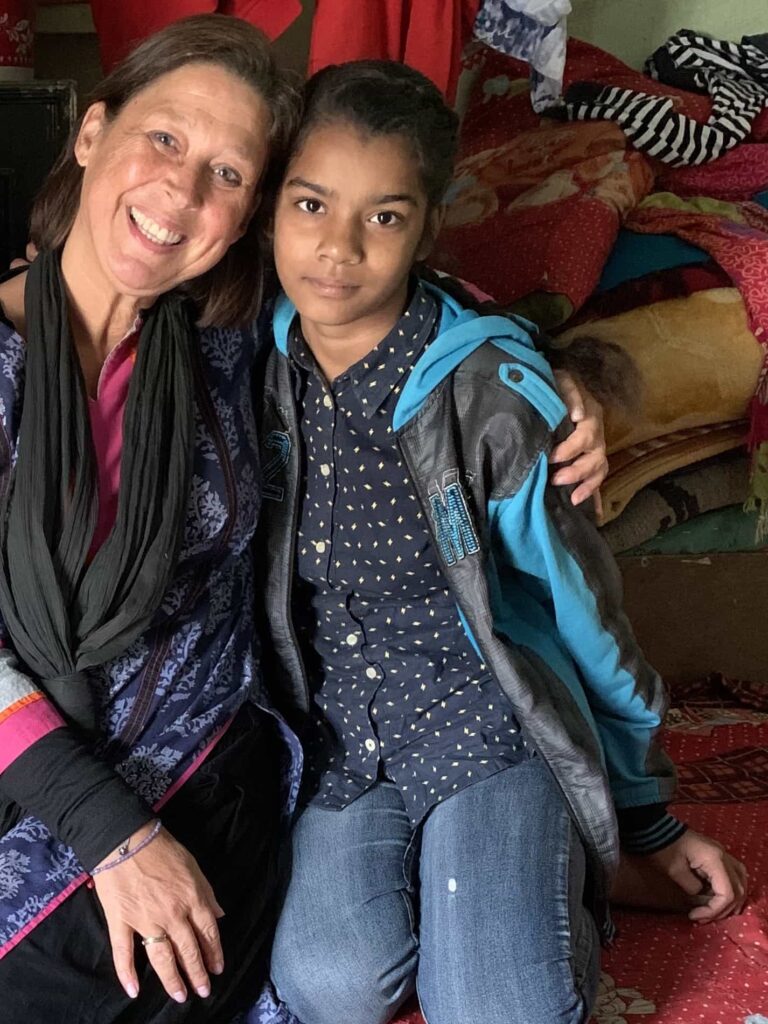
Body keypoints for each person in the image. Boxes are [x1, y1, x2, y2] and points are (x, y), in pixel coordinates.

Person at [255, 61, 748, 1024]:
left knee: (496, 1006)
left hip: (489, 724)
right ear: (273, 203)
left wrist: (642, 812)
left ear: (427, 227)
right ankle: (501, 876)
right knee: (331, 985)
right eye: (310, 204)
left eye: (384, 216)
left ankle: (572, 853)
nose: (337, 248)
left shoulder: (489, 398)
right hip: (340, 738)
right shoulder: (254, 355)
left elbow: (582, 607)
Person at [0, 15, 302, 1023]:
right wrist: (114, 836)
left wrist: (554, 377)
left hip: (211, 766)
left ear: (249, 214)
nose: (181, 191)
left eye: (228, 173)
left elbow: (405, 296)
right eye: (164, 138)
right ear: (92, 133)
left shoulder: (233, 348)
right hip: (45, 782)